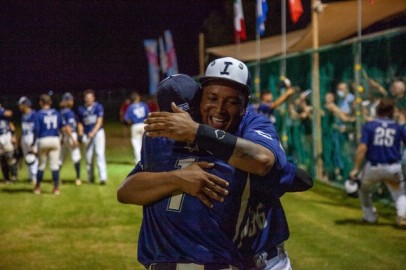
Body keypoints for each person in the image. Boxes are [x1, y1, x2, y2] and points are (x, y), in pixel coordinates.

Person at [119, 58, 311, 269]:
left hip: (262, 257)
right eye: (212, 98)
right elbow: (125, 191)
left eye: (231, 101)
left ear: (244, 104)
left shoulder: (247, 126)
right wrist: (177, 179)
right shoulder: (160, 140)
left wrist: (196, 132)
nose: (219, 109)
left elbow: (266, 163)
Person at [349, 98, 406, 228]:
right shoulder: (398, 127)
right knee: (399, 193)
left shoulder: (370, 126)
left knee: (363, 189)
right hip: (393, 167)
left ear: (378, 110)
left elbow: (362, 148)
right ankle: (402, 216)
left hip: (373, 167)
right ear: (391, 111)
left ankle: (370, 216)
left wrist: (356, 168)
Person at [34, 94, 66, 195]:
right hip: (55, 139)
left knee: (41, 165)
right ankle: (56, 189)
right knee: (54, 165)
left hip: (43, 139)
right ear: (50, 102)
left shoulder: (38, 114)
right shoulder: (56, 113)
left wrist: (33, 143)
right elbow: (62, 127)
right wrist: (63, 138)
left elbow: (37, 130)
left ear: (40, 103)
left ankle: (38, 187)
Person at [77, 89, 108, 185]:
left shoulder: (98, 107)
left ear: (94, 98)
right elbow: (80, 122)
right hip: (87, 135)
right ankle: (90, 177)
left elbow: (100, 120)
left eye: (90, 98)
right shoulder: (81, 109)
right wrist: (81, 133)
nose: (88, 100)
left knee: (100, 154)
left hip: (98, 133)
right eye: (86, 98)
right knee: (88, 157)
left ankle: (103, 177)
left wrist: (93, 132)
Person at [59, 92, 82, 185]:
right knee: (76, 157)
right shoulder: (67, 112)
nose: (72, 102)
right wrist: (73, 139)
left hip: (62, 136)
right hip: (69, 135)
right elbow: (67, 127)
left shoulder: (62, 112)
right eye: (70, 100)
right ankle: (78, 178)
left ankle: (56, 178)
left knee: (60, 158)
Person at [124, 91, 150, 164]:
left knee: (136, 144)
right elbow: (149, 114)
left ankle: (138, 161)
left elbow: (127, 119)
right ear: (137, 98)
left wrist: (131, 121)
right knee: (145, 143)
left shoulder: (130, 107)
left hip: (135, 125)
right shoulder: (143, 105)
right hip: (144, 125)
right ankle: (147, 160)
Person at [18, 96, 38, 184]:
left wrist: (33, 142)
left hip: (31, 137)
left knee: (33, 157)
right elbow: (23, 129)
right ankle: (30, 176)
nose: (19, 106)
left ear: (26, 105)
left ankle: (34, 176)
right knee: (27, 157)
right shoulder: (23, 116)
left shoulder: (34, 114)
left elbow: (36, 129)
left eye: (21, 104)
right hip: (25, 137)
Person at [0, 98, 18, 183]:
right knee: (2, 158)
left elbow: (9, 114)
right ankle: (6, 178)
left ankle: (14, 176)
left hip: (6, 135)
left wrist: (13, 135)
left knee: (10, 156)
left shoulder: (4, 112)